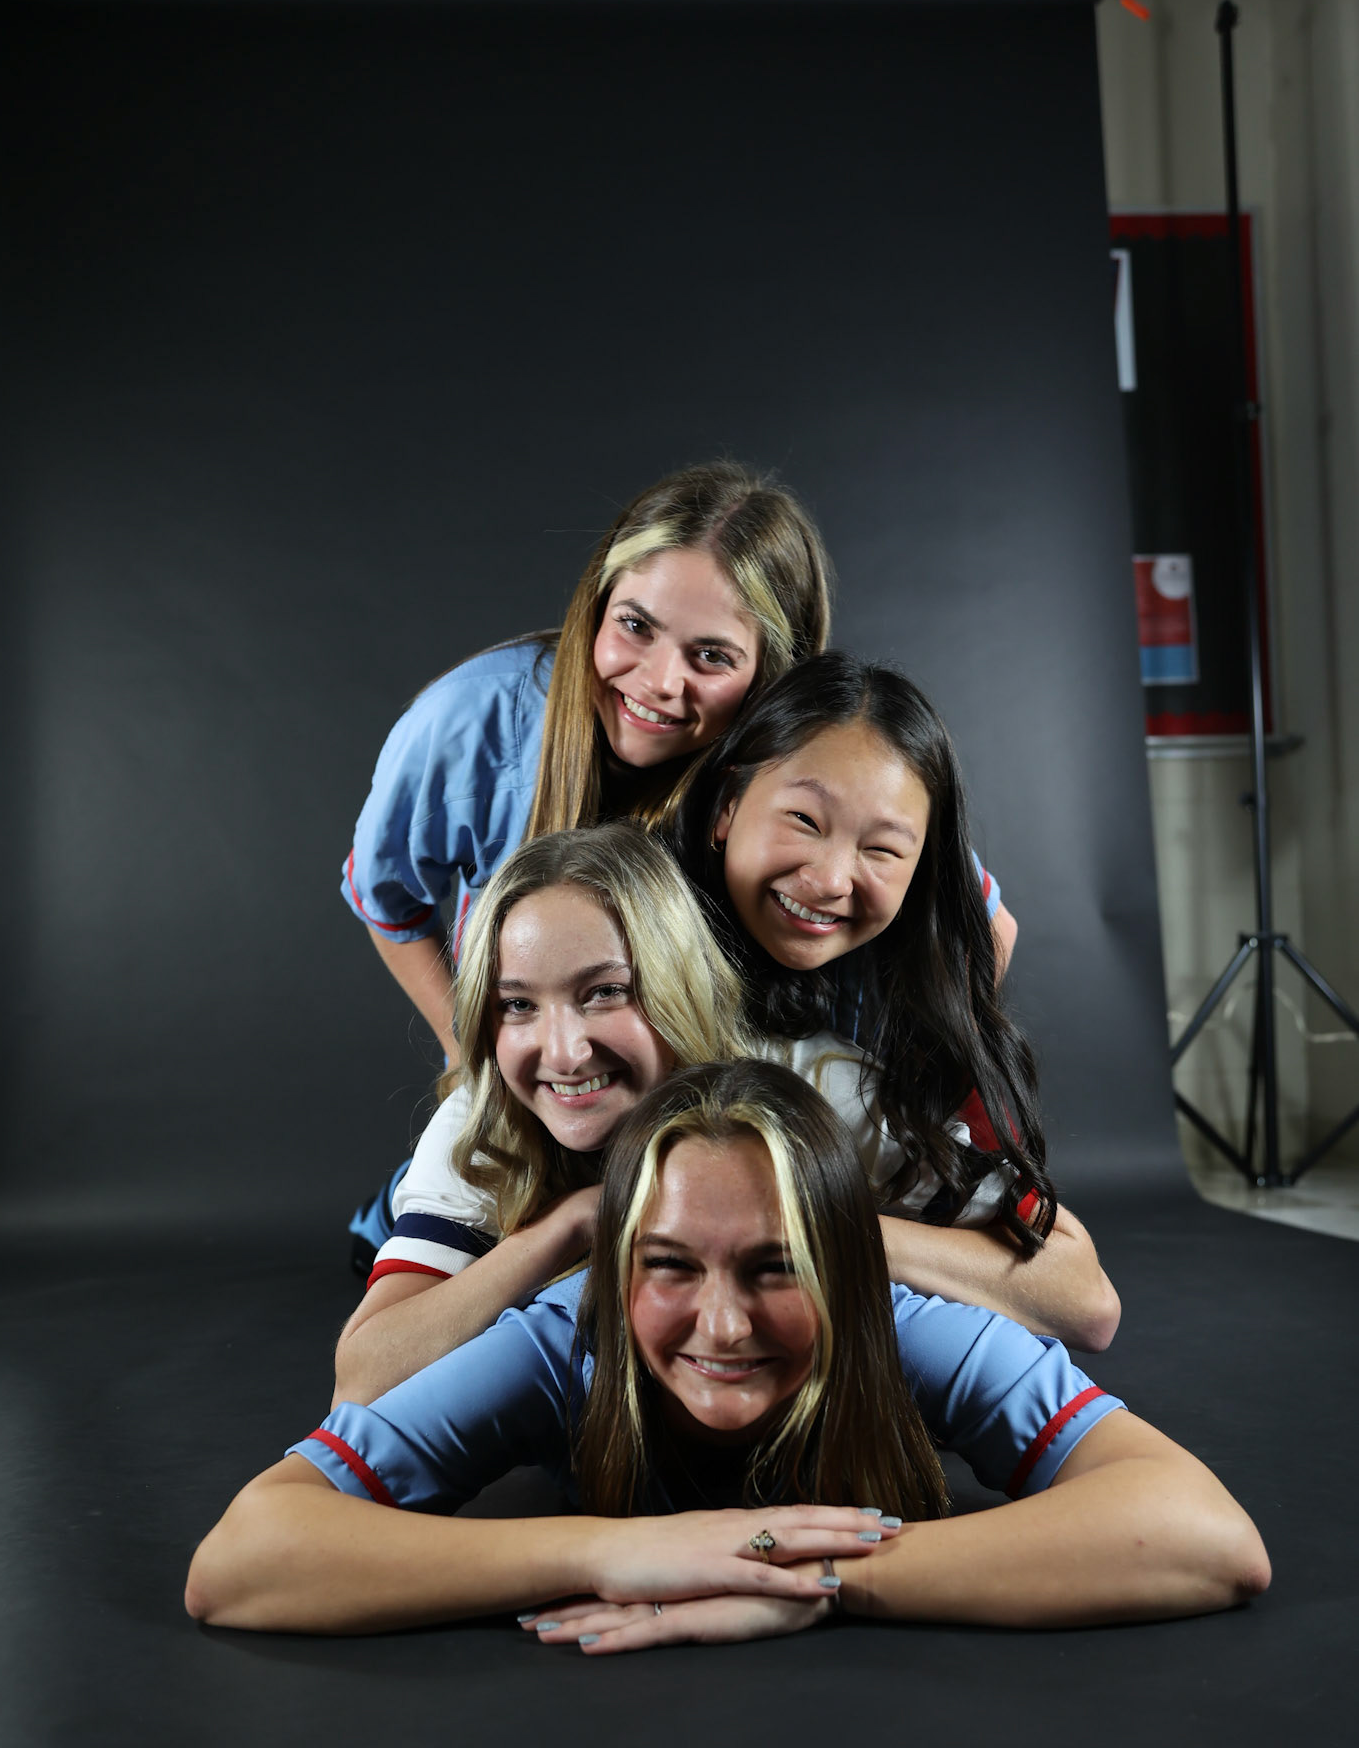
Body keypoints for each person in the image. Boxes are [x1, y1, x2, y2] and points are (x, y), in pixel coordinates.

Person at [185, 1062, 1268, 1643]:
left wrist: (814, 1576)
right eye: (669, 1265)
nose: (723, 1325)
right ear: (616, 1274)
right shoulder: (565, 1336)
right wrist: (613, 1553)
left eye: (772, 1265)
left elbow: (1206, 1535)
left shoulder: (896, 1321)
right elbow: (244, 1559)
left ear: (840, 1269)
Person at [342, 464, 1014, 1257]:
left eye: (711, 656)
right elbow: (384, 897)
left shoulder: (805, 760)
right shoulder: (472, 721)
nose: (659, 681)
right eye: (633, 625)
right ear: (596, 603)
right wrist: (471, 1058)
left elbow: (981, 923)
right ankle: (408, 1211)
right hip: (565, 1104)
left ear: (774, 676)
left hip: (720, 1111)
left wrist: (898, 1108)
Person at [334, 825, 1114, 1409]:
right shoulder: (489, 1117)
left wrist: (808, 1215)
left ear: (677, 985)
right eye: (517, 1006)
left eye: (606, 991)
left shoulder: (816, 1087)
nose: (562, 1051)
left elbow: (1084, 1303)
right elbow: (362, 1382)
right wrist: (570, 1227)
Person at [670, 653, 1120, 1340]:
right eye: (803, 819)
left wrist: (819, 1227)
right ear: (726, 804)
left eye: (881, 850)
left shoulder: (912, 1013)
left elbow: (1083, 1301)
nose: (828, 880)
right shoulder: (631, 960)